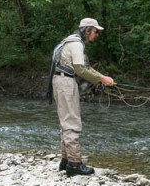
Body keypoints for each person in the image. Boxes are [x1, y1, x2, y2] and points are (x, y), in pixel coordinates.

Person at [49, 18, 115, 176]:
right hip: (65, 82)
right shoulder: (77, 44)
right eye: (95, 31)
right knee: (72, 121)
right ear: (87, 30)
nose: (97, 34)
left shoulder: (72, 42)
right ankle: (74, 164)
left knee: (66, 120)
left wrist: (103, 77)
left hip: (61, 80)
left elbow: (86, 67)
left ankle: (65, 161)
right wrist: (101, 79)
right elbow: (80, 69)